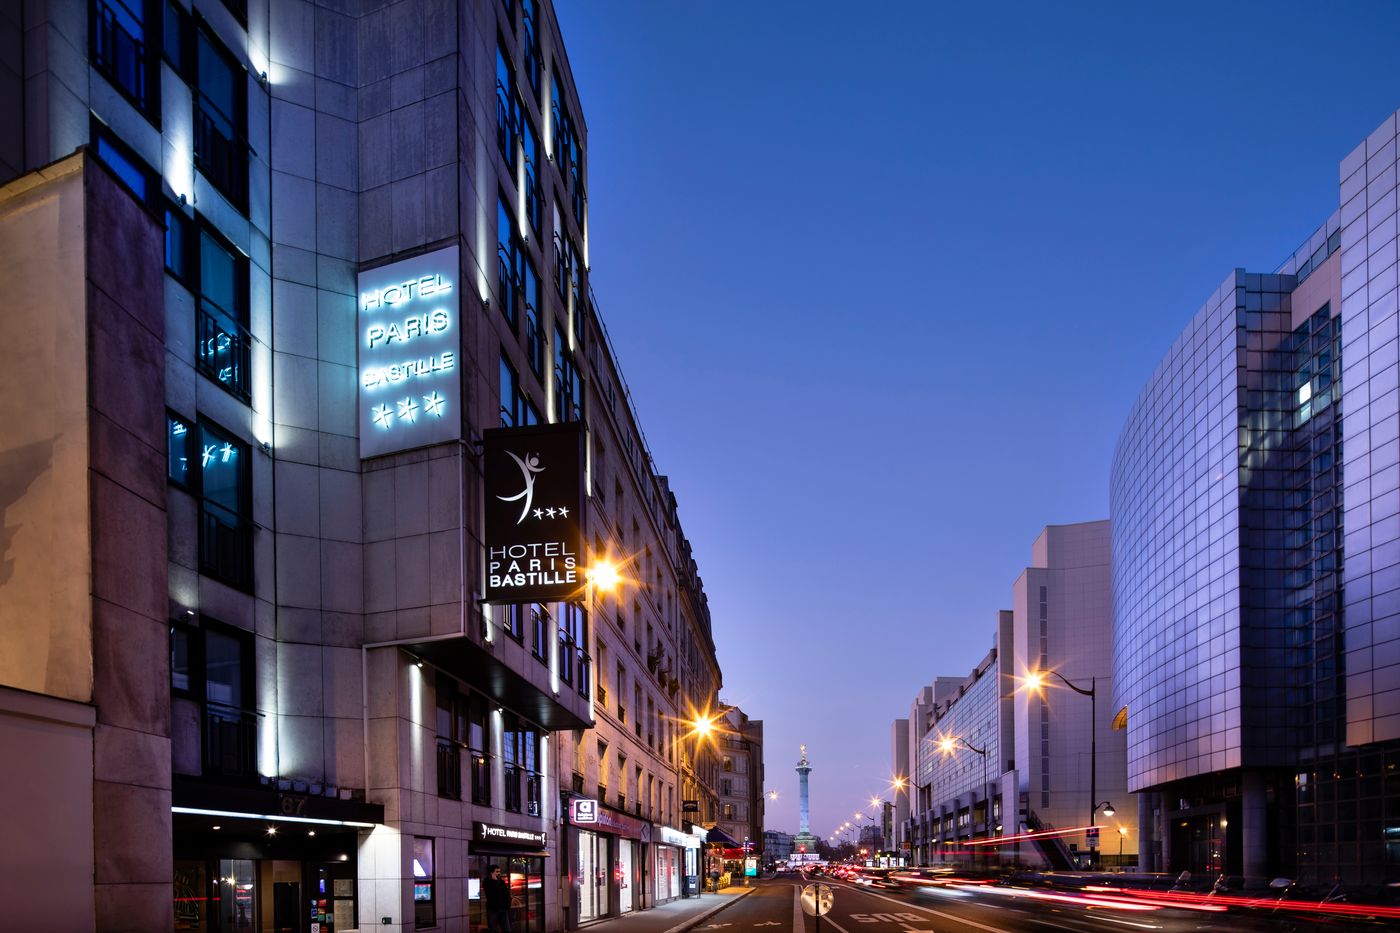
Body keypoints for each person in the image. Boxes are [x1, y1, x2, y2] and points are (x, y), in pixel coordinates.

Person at [485, 865, 513, 933]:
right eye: (497, 872)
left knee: (507, 929)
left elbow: (505, 893)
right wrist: (494, 882)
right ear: (492, 873)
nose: (499, 873)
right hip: (493, 910)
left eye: (499, 871)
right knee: (493, 929)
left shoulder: (501, 882)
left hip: (503, 909)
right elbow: (490, 894)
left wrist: (507, 905)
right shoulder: (487, 882)